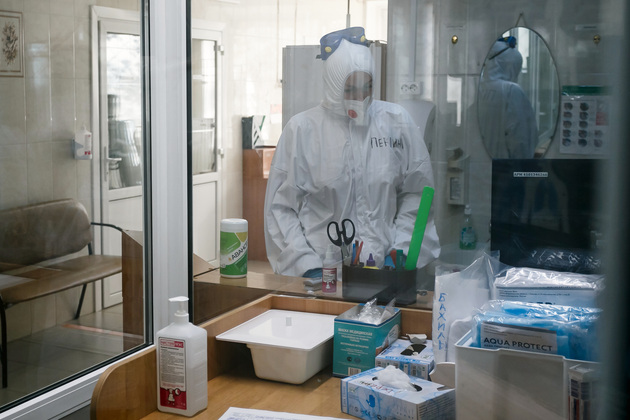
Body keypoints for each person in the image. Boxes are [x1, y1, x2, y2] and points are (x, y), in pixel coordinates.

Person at [264, 27, 440, 278]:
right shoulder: (302, 130)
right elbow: (281, 209)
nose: (361, 97)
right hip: (324, 276)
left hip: (386, 273)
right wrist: (306, 265)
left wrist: (401, 250)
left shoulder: (396, 122)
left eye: (367, 86)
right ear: (332, 85)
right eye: (350, 90)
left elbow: (417, 194)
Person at [477, 36, 538, 159]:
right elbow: (521, 141)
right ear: (510, 66)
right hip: (503, 168)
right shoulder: (511, 91)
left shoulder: (477, 87)